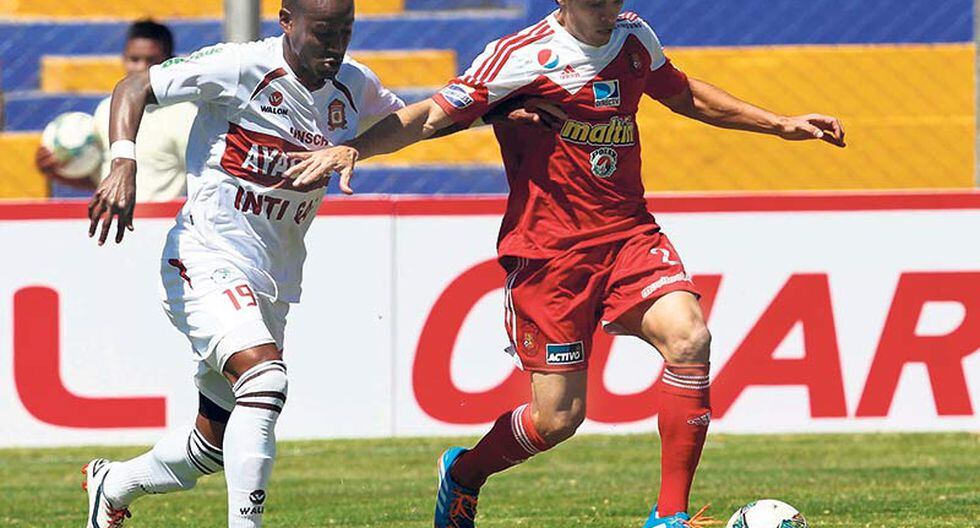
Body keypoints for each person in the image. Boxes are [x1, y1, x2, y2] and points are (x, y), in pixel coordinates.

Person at [285, 1, 846, 527]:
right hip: (550, 256)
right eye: (595, 1)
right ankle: (464, 473)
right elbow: (432, 114)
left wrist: (779, 123)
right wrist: (356, 148)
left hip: (628, 234)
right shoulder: (520, 56)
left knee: (690, 338)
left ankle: (668, 515)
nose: (607, 10)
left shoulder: (633, 36)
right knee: (557, 419)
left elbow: (683, 94)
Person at [81, 1, 553, 527]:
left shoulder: (353, 84)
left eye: (345, 31)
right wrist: (123, 161)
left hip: (272, 280)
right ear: (287, 21)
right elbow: (134, 87)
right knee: (265, 380)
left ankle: (113, 484)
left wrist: (491, 113)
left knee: (210, 446)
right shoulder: (240, 67)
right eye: (323, 32)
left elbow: (414, 122)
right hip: (205, 255)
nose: (335, 45)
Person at [36, 20, 195, 202]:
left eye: (151, 60)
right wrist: (56, 170)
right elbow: (103, 181)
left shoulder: (184, 115)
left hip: (162, 217)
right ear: (124, 59)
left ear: (168, 62)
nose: (141, 67)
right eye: (134, 59)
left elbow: (202, 177)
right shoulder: (108, 109)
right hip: (113, 216)